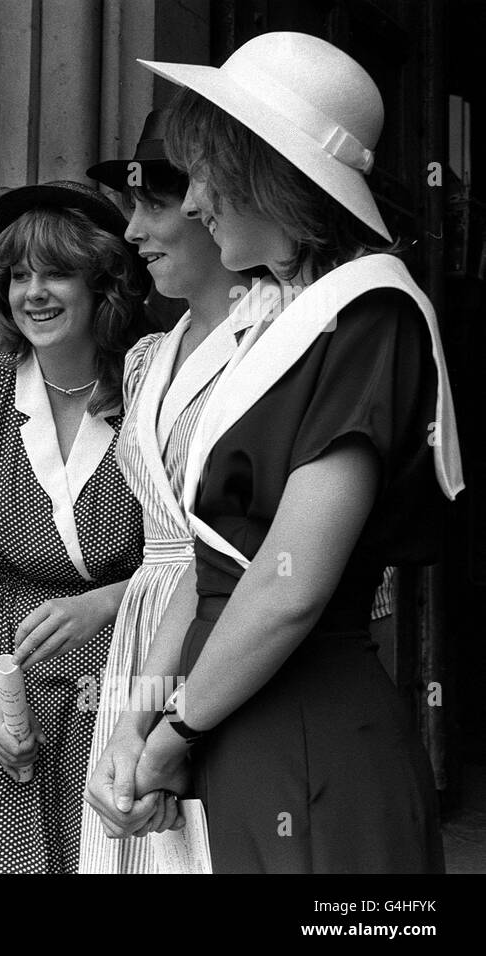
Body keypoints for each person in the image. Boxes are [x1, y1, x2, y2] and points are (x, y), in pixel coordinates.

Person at [85, 32, 463, 872]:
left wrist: (175, 730)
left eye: (207, 176)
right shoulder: (278, 322)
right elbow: (210, 561)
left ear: (266, 174)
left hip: (310, 737)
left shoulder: (369, 316)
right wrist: (136, 719)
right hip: (238, 729)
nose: (191, 205)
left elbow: (289, 585)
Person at [0, 181, 149, 873]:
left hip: (122, 672)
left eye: (56, 272)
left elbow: (190, 552)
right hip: (3, 676)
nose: (34, 292)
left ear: (104, 284)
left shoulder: (150, 387)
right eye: (18, 275)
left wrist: (105, 602)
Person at [75, 112, 264, 873]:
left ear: (208, 205)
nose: (133, 232)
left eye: (152, 205)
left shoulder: (275, 341)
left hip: (224, 625)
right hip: (144, 632)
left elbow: (237, 542)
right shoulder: (148, 356)